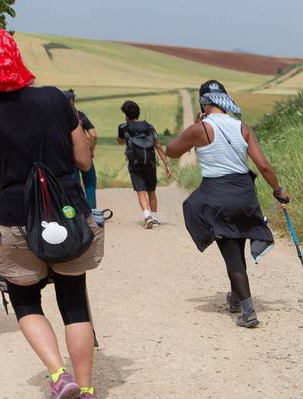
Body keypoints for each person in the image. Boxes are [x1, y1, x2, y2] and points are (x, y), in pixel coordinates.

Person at [0, 25, 106, 399]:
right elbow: (83, 161)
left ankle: (59, 375)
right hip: (68, 214)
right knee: (74, 302)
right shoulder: (55, 99)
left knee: (25, 300)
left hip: (14, 218)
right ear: (14, 55)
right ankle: (88, 391)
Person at [166, 80, 287, 328]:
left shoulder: (201, 129)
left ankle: (248, 311)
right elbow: (263, 166)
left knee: (230, 251)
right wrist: (278, 190)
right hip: (244, 193)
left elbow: (171, 151)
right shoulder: (243, 127)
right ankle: (235, 297)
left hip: (216, 195)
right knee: (237, 244)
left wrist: (193, 127)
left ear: (203, 102)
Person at [117, 100, 170, 228]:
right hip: (150, 162)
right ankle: (155, 218)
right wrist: (166, 164)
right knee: (151, 190)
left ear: (126, 114)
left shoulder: (123, 127)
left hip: (135, 163)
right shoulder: (149, 127)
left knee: (141, 190)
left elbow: (119, 141)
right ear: (138, 113)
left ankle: (147, 216)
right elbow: (157, 145)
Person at [65, 89, 98, 209]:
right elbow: (93, 134)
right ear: (73, 101)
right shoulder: (80, 115)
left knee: (75, 186)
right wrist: (91, 150)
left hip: (69, 156)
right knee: (90, 184)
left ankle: (79, 212)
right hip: (84, 154)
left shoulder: (60, 118)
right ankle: (92, 211)